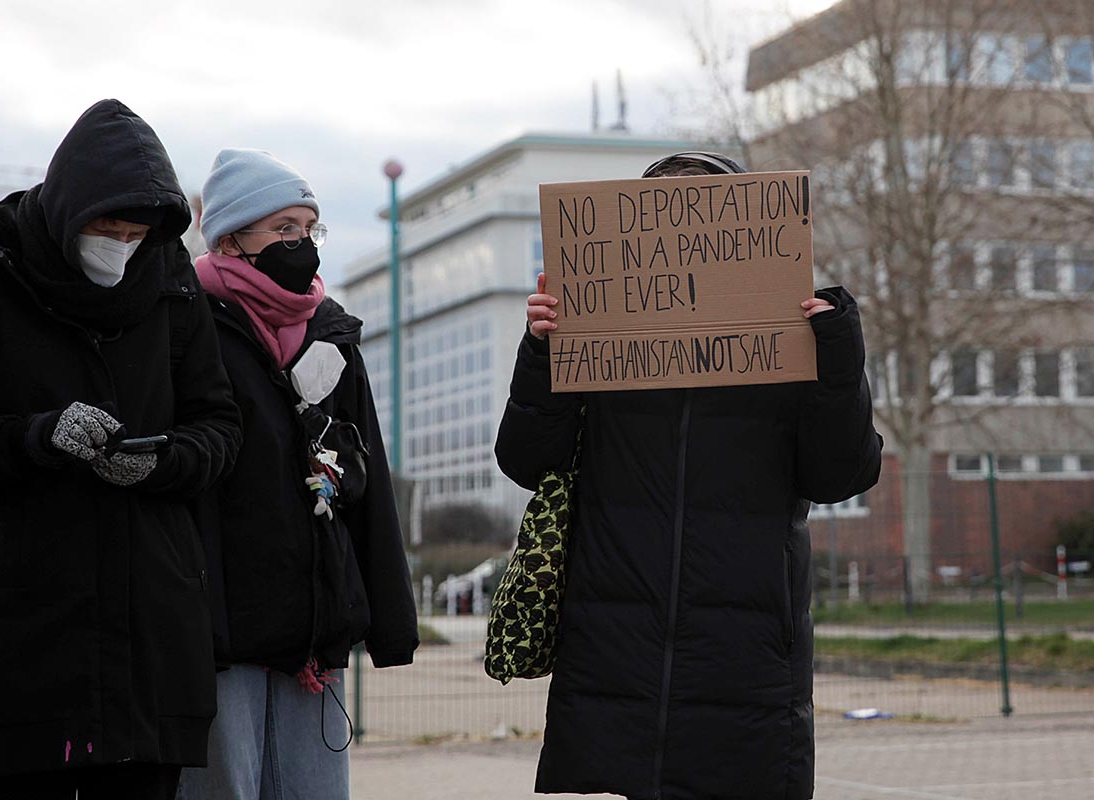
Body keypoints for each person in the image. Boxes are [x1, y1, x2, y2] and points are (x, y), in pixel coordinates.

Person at [495, 152, 883, 800]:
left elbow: (842, 473)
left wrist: (838, 358)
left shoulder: (784, 353)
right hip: (619, 659)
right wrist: (542, 354)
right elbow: (527, 461)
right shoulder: (598, 347)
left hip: (743, 662)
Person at [0, 99, 242, 799]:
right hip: (22, 650)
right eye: (105, 228)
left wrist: (160, 459)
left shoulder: (172, 287)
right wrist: (34, 437)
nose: (120, 246)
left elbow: (219, 429)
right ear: (65, 213)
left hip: (151, 640)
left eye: (135, 233)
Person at [177, 149, 419, 800]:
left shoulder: (333, 339)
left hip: (316, 636)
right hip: (222, 636)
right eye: (283, 229)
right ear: (230, 238)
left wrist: (389, 624)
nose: (301, 245)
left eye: (309, 229)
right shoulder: (186, 329)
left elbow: (371, 480)